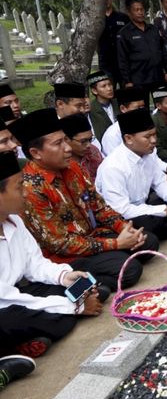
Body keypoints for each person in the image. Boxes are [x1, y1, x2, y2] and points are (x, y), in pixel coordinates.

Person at [10, 109, 155, 294]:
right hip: (66, 256)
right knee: (129, 269)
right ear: (36, 153)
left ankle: (100, 277)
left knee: (148, 241)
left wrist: (124, 229)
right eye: (58, 143)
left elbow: (100, 207)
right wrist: (117, 244)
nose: (68, 148)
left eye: (65, 140)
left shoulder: (73, 167)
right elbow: (60, 244)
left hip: (93, 236)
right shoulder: (31, 189)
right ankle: (87, 282)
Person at [0, 152, 104, 359]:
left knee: (93, 285)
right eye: (19, 187)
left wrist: (63, 277)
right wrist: (72, 307)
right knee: (24, 320)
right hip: (5, 307)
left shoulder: (14, 220)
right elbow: (5, 299)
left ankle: (31, 338)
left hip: (18, 294)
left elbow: (35, 264)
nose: (25, 194)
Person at [96, 108, 167, 241]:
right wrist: (165, 210)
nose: (154, 141)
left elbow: (160, 182)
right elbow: (121, 210)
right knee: (148, 226)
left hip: (144, 206)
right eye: (148, 137)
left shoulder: (149, 153)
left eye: (155, 135)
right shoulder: (113, 166)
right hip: (123, 216)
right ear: (129, 139)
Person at [117, 0, 165, 90]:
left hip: (157, 76)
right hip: (138, 79)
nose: (140, 12)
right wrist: (127, 80)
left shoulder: (153, 29)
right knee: (142, 104)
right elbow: (122, 58)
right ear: (129, 13)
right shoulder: (124, 33)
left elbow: (162, 50)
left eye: (142, 9)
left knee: (162, 103)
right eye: (136, 10)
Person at [97, 0, 129, 86]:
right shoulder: (97, 19)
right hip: (106, 63)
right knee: (109, 92)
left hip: (123, 62)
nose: (106, 1)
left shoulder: (123, 17)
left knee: (127, 93)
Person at [59, 114, 104, 181]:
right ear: (66, 139)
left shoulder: (93, 151)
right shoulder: (60, 162)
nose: (88, 145)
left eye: (90, 140)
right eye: (83, 141)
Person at [87, 71, 118, 142]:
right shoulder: (91, 110)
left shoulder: (118, 104)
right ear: (94, 91)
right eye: (104, 86)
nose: (109, 89)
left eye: (110, 84)